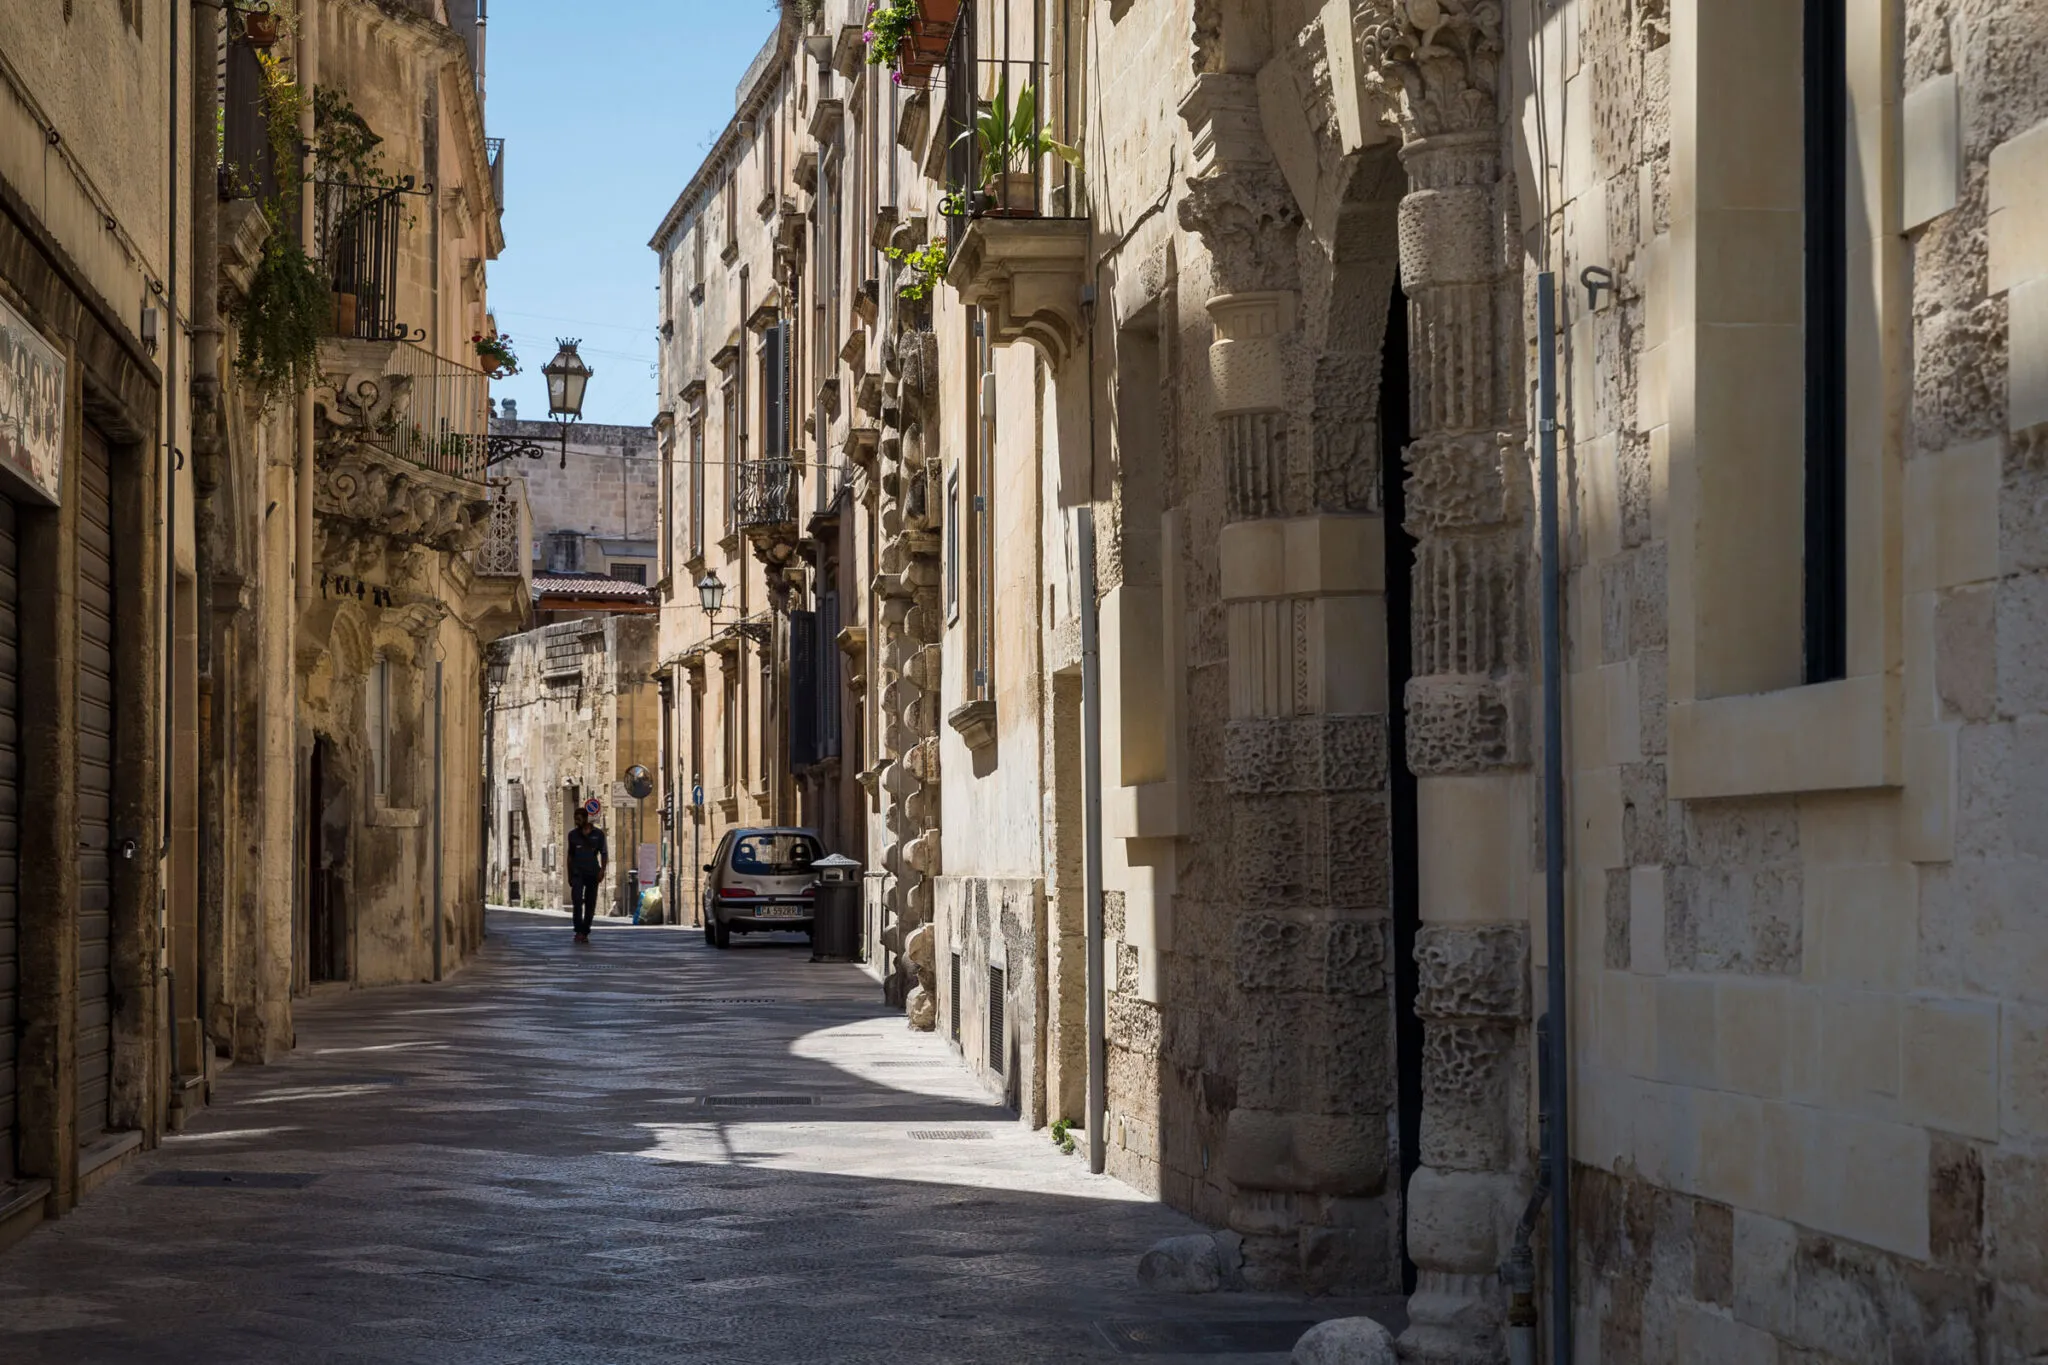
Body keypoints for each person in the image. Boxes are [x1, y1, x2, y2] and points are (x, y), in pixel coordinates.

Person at [566, 807, 608, 944]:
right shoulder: (572, 835)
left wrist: (602, 870)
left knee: (590, 903)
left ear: (585, 818)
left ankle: (585, 931)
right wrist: (569, 874)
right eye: (574, 819)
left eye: (578, 819)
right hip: (578, 872)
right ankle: (578, 930)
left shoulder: (598, 834)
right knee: (577, 900)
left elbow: (604, 853)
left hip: (592, 873)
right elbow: (570, 855)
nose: (576, 822)